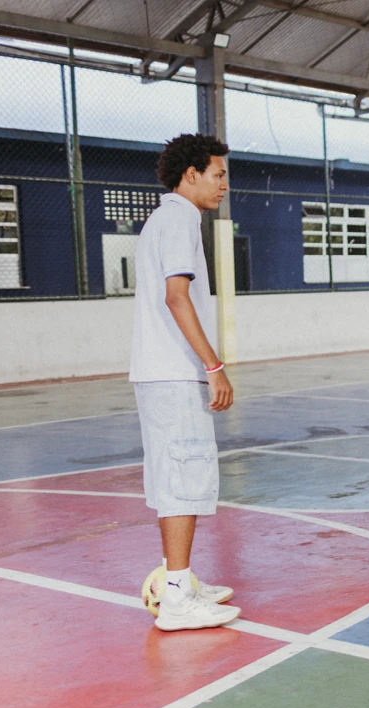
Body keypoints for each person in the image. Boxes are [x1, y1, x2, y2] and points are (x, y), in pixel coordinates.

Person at [131, 133, 239, 632]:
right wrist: (213, 366)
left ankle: (182, 579)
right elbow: (178, 298)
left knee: (178, 476)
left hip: (165, 374)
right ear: (190, 174)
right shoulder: (178, 218)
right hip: (174, 374)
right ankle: (176, 597)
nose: (223, 186)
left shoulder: (171, 217)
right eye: (217, 175)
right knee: (182, 480)